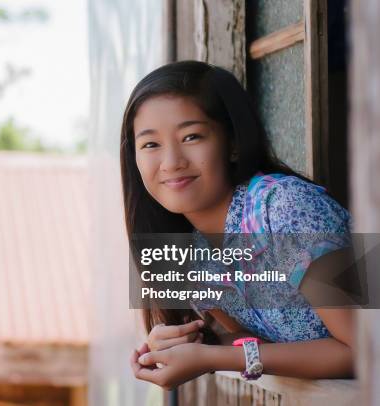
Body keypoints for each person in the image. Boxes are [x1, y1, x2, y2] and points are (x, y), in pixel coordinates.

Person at [121, 60, 356, 389]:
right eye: (150, 144)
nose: (172, 162)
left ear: (231, 143)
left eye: (191, 136)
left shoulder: (283, 209)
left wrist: (212, 358)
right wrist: (193, 345)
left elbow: (365, 349)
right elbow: (255, 339)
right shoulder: (194, 255)